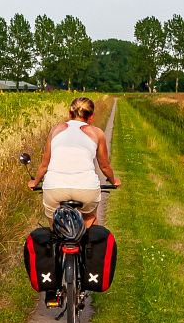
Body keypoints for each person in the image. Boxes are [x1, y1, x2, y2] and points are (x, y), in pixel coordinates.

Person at [28, 97, 120, 228]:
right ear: (91, 116)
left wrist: (35, 182)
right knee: (90, 219)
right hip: (86, 189)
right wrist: (113, 181)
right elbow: (104, 166)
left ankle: (56, 242)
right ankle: (89, 244)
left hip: (55, 188)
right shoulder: (97, 133)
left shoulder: (55, 130)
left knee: (54, 227)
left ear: (69, 113)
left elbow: (44, 165)